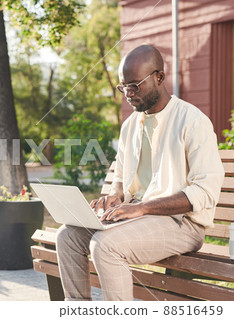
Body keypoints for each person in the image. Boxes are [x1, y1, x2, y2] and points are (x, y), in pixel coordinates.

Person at [56, 44, 225, 301]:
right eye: (123, 86)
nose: (128, 93)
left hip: (182, 224)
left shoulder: (193, 121)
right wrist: (115, 195)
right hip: (137, 217)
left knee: (105, 245)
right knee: (67, 236)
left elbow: (205, 192)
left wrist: (142, 208)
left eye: (135, 85)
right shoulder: (130, 126)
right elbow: (121, 178)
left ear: (159, 77)